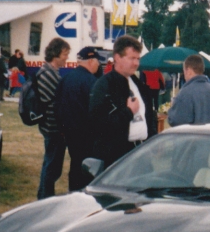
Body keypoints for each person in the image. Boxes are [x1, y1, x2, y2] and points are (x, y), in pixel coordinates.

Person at [89, 35, 155, 168]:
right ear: (117, 57)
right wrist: (129, 112)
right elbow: (99, 125)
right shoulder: (104, 86)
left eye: (138, 58)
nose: (136, 63)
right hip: (117, 159)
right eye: (132, 58)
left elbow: (149, 115)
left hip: (142, 154)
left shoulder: (138, 85)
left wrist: (153, 140)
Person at [54, 46, 101, 192]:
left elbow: (56, 106)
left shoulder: (66, 78)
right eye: (98, 61)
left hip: (69, 133)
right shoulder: (93, 82)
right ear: (92, 61)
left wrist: (62, 129)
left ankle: (72, 193)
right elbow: (96, 111)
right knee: (87, 168)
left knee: (75, 164)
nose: (99, 65)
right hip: (87, 135)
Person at [36, 38, 71, 199]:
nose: (66, 57)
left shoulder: (49, 72)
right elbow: (60, 101)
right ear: (55, 54)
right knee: (52, 167)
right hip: (53, 128)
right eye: (64, 54)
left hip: (51, 127)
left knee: (50, 165)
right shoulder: (48, 74)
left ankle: (43, 195)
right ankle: (45, 198)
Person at [167, 54, 210, 126]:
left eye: (184, 71)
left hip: (193, 136)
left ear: (188, 70)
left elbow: (175, 121)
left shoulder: (185, 93)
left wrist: (172, 108)